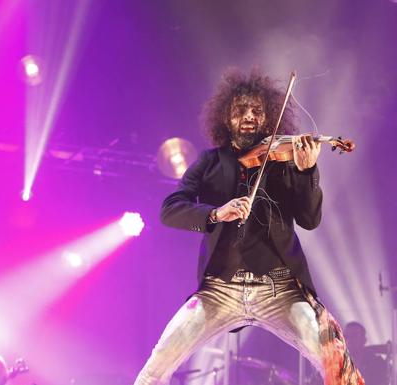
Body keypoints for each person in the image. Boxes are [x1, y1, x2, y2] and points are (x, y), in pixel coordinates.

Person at [134, 69, 365, 385]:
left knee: (336, 364)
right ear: (225, 117)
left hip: (279, 289)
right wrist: (216, 213)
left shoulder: (285, 162)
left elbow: (310, 220)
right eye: (240, 110)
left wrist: (308, 171)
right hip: (219, 290)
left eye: (257, 111)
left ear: (269, 118)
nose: (248, 117)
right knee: (155, 368)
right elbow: (170, 210)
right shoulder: (209, 162)